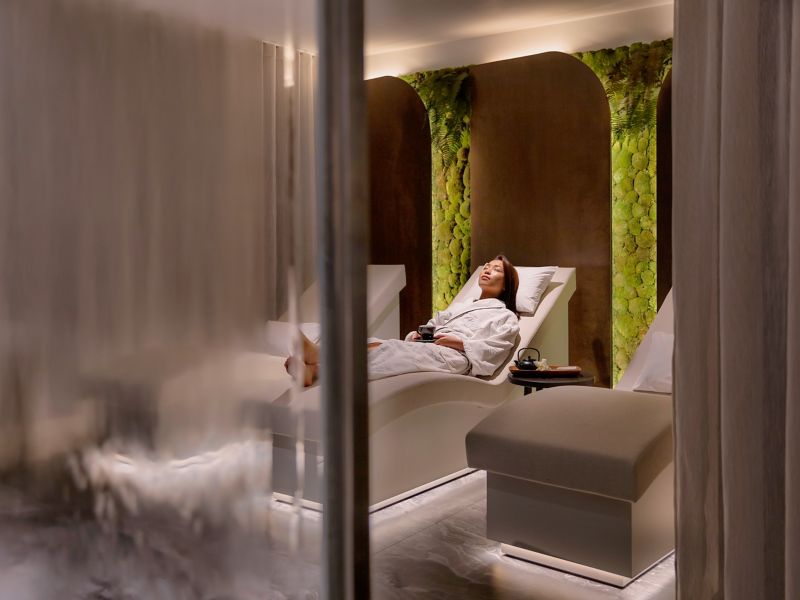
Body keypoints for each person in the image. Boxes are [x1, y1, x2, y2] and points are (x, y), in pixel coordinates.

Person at [286, 255, 520, 386]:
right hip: (433, 347)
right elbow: (433, 324)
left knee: (392, 350)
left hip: (455, 357)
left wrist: (458, 343)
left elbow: (496, 350)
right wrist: (418, 335)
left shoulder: (505, 316)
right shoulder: (462, 306)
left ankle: (320, 362)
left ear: (507, 284)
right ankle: (316, 367)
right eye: (486, 266)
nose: (487, 270)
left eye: (496, 269)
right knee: (374, 343)